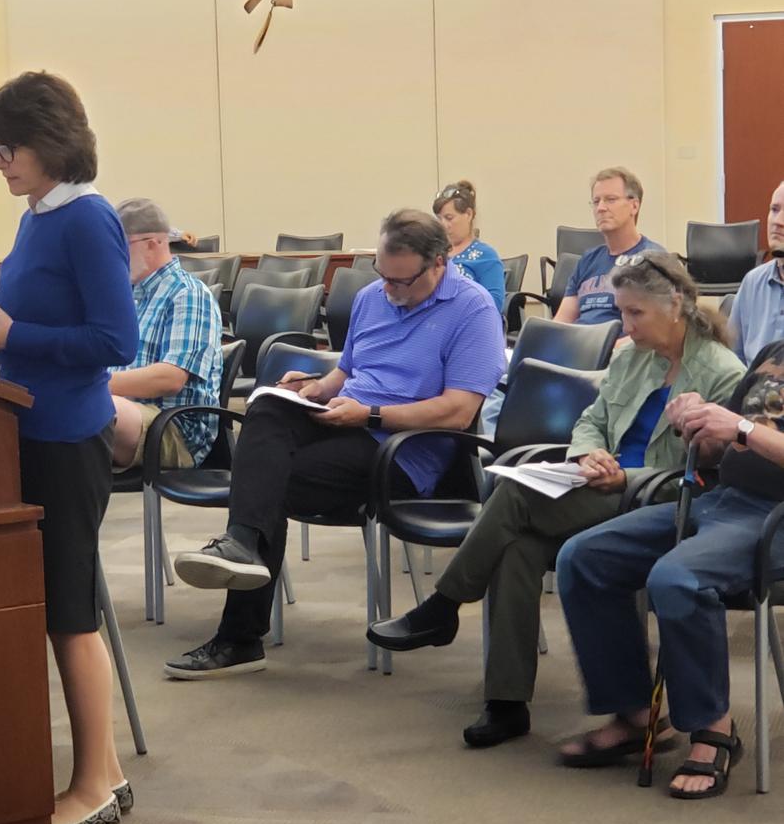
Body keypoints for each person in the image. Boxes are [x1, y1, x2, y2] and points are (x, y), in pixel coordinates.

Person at [367, 251, 746, 747]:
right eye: (621, 311)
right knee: (517, 547)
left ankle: (443, 605)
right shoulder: (631, 357)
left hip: (663, 497)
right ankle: (506, 703)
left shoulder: (721, 371)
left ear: (675, 304)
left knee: (515, 493)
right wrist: (588, 454)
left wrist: (624, 475)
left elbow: (714, 470)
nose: (625, 325)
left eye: (635, 312)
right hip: (604, 485)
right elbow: (591, 421)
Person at [164, 209, 506, 679]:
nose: (389, 290)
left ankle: (239, 636)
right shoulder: (372, 296)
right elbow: (347, 373)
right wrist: (313, 387)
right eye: (383, 275)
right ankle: (241, 546)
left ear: (438, 265)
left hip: (404, 449)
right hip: (347, 420)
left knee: (265, 482)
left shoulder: (473, 310)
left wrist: (370, 414)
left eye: (401, 281)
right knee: (266, 411)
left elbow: (458, 411)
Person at [0, 71, 138, 824]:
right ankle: (106, 772)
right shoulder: (37, 217)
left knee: (70, 614)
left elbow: (116, 341)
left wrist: (12, 333)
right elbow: (24, 317)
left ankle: (92, 785)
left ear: (47, 141)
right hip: (28, 424)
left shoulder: (87, 218)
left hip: (68, 435)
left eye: (4, 147)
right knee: (58, 609)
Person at [555, 336, 784, 799]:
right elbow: (723, 448)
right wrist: (699, 425)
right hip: (724, 500)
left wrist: (740, 427)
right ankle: (636, 714)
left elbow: (745, 430)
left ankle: (713, 727)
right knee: (584, 557)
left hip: (775, 518)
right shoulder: (774, 352)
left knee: (678, 578)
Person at [110, 197, 222, 469]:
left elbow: (170, 378)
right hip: (128, 411)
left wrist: (93, 385)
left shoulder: (188, 294)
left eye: (119, 245)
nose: (112, 256)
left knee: (85, 405)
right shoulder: (127, 295)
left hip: (174, 427)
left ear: (152, 243)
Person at [554, 166, 665, 327]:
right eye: (596, 201)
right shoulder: (587, 260)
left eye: (611, 199)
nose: (601, 208)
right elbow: (562, 321)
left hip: (620, 342)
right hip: (578, 340)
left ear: (634, 206)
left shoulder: (653, 260)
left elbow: (654, 329)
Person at [728, 179, 784, 363]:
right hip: (752, 381)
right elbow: (732, 360)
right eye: (774, 210)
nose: (778, 221)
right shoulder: (753, 282)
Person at [433, 181, 505, 311]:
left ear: (468, 214)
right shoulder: (432, 253)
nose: (443, 225)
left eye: (449, 218)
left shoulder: (485, 256)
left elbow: (493, 305)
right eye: (439, 219)